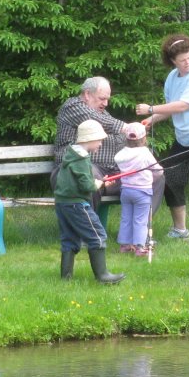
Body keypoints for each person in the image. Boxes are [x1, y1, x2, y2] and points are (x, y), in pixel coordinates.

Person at [136, 34, 189, 247]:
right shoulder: (172, 78)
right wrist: (151, 120)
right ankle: (180, 229)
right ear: (173, 61)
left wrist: (151, 108)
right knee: (169, 177)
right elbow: (172, 107)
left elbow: (184, 105)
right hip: (184, 139)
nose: (188, 62)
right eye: (183, 59)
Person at [54, 119, 125, 284]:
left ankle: (66, 277)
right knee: (97, 235)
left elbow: (79, 179)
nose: (100, 144)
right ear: (89, 140)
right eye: (99, 140)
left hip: (63, 203)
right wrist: (97, 183)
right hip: (76, 204)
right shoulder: (81, 158)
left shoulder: (72, 154)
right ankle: (103, 276)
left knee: (69, 238)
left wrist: (100, 183)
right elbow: (87, 184)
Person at [112, 123, 163, 256]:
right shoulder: (145, 153)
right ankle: (140, 247)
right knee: (140, 220)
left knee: (126, 218)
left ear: (126, 139)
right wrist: (153, 177)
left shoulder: (121, 154)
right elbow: (158, 171)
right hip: (142, 192)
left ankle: (125, 245)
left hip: (126, 191)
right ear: (144, 138)